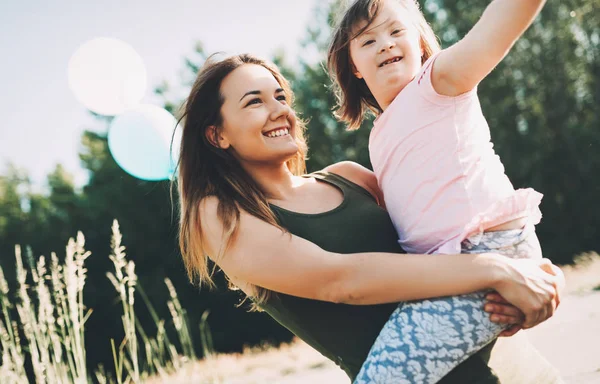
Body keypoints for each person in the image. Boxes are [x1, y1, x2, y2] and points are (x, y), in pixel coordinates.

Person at [175, 53, 563, 383]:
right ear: (217, 136)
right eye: (254, 102)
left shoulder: (350, 177)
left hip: (506, 369)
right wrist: (494, 271)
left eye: (280, 96)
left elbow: (460, 227)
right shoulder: (218, 216)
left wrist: (536, 276)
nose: (280, 110)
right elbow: (340, 281)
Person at [327, 0, 552, 381]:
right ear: (354, 67)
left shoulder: (438, 82)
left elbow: (500, 26)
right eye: (368, 41)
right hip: (448, 270)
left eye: (397, 31)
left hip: (487, 249)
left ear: (419, 42)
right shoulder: (379, 135)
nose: (385, 43)